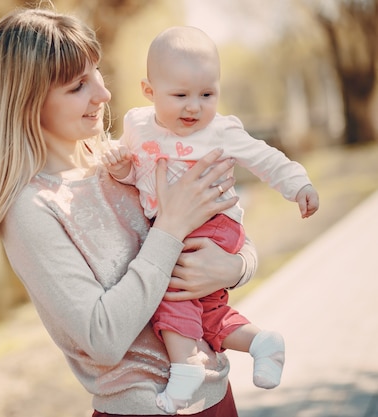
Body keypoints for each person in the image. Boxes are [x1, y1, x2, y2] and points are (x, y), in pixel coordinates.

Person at [0, 7, 261, 416]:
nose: (103, 95)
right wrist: (170, 229)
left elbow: (229, 229)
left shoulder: (127, 159)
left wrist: (236, 268)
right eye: (77, 86)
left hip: (217, 399)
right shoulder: (31, 209)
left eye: (96, 74)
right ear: (28, 103)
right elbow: (103, 338)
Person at [102, 26, 320, 414]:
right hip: (175, 223)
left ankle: (185, 368)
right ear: (149, 91)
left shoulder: (221, 130)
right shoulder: (137, 126)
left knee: (171, 286)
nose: (194, 107)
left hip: (213, 222)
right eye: (180, 95)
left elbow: (266, 158)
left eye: (207, 94)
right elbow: (139, 176)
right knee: (206, 310)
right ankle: (261, 342)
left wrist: (298, 184)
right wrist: (121, 171)